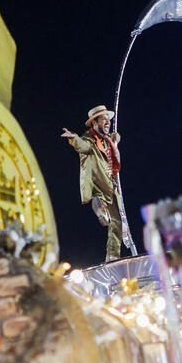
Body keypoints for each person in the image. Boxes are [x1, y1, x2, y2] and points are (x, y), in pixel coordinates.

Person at [61, 105, 122, 261]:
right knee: (113, 215)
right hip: (98, 184)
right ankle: (100, 206)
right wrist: (72, 137)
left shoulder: (108, 140)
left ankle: (113, 255)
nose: (107, 122)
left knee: (118, 220)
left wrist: (115, 140)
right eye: (103, 119)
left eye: (108, 119)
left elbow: (116, 137)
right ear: (94, 123)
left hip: (110, 184)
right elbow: (83, 146)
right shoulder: (89, 139)